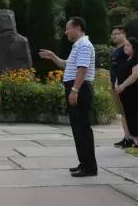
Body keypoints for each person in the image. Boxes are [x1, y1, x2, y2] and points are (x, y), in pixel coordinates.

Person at [39, 17, 97, 177]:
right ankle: (84, 163)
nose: (65, 32)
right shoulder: (78, 45)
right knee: (78, 128)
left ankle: (89, 167)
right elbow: (67, 65)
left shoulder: (84, 45)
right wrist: (53, 57)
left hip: (80, 88)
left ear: (77, 28)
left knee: (82, 129)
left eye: (67, 28)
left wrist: (75, 90)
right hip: (77, 87)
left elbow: (82, 70)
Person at [115, 37, 138, 154]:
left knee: (137, 116)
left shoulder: (137, 60)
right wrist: (117, 84)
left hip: (135, 93)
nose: (125, 47)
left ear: (134, 47)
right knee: (129, 116)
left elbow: (135, 75)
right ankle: (133, 141)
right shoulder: (126, 60)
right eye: (125, 45)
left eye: (128, 45)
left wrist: (122, 85)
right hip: (125, 94)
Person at [109, 26, 132, 149]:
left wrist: (120, 83)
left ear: (123, 34)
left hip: (122, 86)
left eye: (116, 34)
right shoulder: (116, 50)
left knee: (126, 113)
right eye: (112, 34)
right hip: (115, 85)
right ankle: (126, 136)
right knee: (122, 113)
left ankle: (130, 138)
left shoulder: (125, 49)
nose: (113, 36)